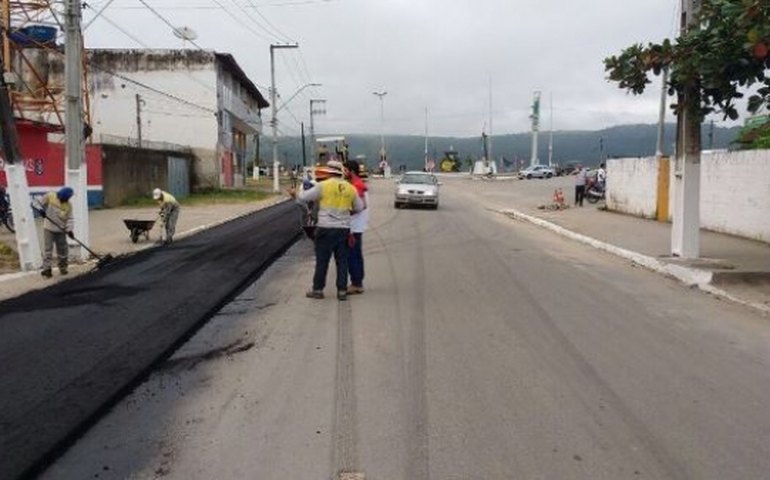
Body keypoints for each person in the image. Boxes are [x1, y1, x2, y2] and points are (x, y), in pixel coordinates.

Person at [289, 160, 364, 301]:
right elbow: (359, 207)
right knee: (342, 261)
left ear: (328, 172)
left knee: (322, 260)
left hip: (325, 228)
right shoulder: (350, 188)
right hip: (343, 229)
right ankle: (342, 291)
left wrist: (300, 187)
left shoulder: (323, 186)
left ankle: (318, 290)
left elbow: (304, 197)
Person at [345, 159, 369, 295]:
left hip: (354, 226)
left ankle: (356, 283)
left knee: (352, 255)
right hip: (357, 225)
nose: (344, 172)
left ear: (351, 171)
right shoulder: (358, 184)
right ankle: (358, 281)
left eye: (346, 170)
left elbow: (361, 205)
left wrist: (345, 212)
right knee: (356, 254)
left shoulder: (356, 185)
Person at [38, 186, 74, 278]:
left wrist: (70, 230)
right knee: (48, 250)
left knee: (63, 251)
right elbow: (37, 203)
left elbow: (70, 219)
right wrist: (41, 210)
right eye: (60, 197)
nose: (61, 200)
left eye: (65, 199)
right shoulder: (50, 196)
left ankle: (63, 268)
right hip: (48, 228)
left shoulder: (68, 206)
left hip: (61, 231)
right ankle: (47, 270)